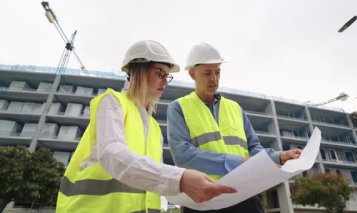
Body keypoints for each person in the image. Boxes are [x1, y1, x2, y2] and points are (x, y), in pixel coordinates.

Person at [56, 40, 236, 213]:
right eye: (160, 74)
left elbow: (151, 179)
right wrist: (180, 179)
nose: (165, 82)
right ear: (138, 71)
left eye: (167, 76)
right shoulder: (112, 102)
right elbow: (112, 154)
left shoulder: (155, 128)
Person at [167, 42, 302, 213]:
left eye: (217, 72)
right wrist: (238, 163)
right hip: (204, 200)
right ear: (192, 74)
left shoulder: (235, 108)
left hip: (245, 196)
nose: (214, 79)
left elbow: (254, 148)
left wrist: (279, 157)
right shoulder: (178, 108)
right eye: (207, 73)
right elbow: (183, 156)